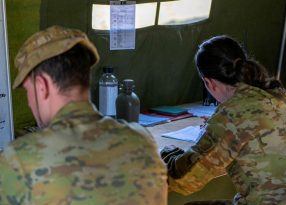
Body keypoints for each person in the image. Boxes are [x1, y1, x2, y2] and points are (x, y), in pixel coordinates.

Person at [0, 25, 167, 204]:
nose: (29, 101)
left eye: (27, 90)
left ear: (43, 86)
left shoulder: (18, 162)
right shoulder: (142, 141)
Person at [160, 35, 286, 205]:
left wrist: (167, 156)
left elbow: (186, 181)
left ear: (209, 83)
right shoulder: (281, 94)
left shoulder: (232, 114)